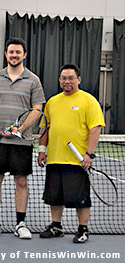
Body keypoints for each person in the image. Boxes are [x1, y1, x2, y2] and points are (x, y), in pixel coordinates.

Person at [0, 38, 46, 239]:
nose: (14, 55)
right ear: (6, 54)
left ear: (24, 55)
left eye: (18, 52)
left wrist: (21, 128)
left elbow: (38, 109)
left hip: (21, 143)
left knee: (21, 182)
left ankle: (20, 224)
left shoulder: (33, 80)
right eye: (11, 52)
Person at [37, 64, 105, 243]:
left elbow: (95, 128)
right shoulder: (52, 102)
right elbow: (46, 129)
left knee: (81, 198)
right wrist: (42, 151)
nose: (67, 81)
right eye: (63, 78)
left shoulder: (88, 100)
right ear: (60, 80)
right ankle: (56, 226)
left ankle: (83, 230)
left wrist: (89, 154)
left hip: (77, 161)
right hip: (54, 158)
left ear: (79, 80)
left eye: (71, 78)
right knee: (55, 196)